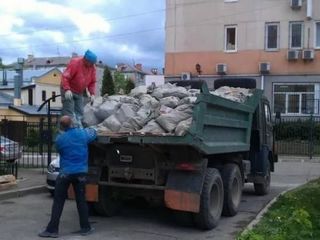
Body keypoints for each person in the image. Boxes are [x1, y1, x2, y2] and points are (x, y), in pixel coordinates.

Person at [39, 115, 97, 238]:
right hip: (80, 173)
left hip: (65, 173)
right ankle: (85, 227)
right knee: (81, 200)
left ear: (61, 126)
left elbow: (61, 151)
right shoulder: (82, 134)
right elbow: (93, 134)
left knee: (58, 201)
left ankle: (52, 230)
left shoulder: (60, 139)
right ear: (72, 123)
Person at [61, 49, 97, 127]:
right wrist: (67, 89)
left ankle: (78, 129)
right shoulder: (75, 63)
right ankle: (67, 132)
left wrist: (92, 94)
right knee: (69, 112)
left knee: (80, 112)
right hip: (69, 89)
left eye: (93, 63)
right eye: (90, 63)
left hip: (79, 91)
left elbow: (92, 82)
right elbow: (65, 77)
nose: (91, 65)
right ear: (85, 59)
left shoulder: (92, 67)